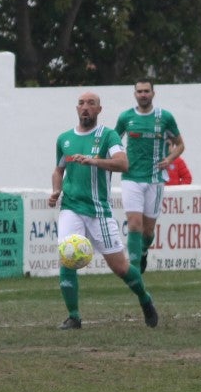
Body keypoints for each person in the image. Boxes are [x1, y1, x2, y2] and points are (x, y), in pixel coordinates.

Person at [49, 91, 159, 330]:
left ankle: (144, 299)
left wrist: (93, 160)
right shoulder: (64, 139)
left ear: (99, 110)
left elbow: (123, 163)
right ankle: (74, 316)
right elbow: (59, 170)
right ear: (76, 109)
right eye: (81, 103)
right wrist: (56, 191)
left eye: (91, 104)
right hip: (71, 208)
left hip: (99, 211)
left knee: (120, 268)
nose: (85, 107)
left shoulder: (107, 136)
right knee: (67, 257)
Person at [114, 80, 184, 274]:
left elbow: (180, 145)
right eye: (139, 91)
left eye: (147, 91)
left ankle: (143, 251)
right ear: (134, 94)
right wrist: (115, 159)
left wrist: (169, 158)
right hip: (131, 178)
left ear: (153, 93)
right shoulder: (126, 117)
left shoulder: (165, 117)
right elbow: (113, 142)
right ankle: (134, 271)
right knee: (134, 223)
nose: (143, 94)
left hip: (155, 179)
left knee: (148, 231)